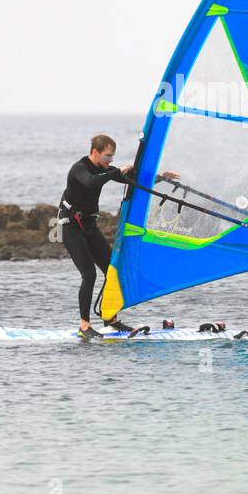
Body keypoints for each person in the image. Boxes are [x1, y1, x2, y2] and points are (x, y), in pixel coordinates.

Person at [59, 134, 176, 340]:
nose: (110, 160)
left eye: (112, 157)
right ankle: (84, 325)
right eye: (107, 156)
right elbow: (91, 182)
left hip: (89, 226)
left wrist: (161, 178)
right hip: (70, 228)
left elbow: (135, 182)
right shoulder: (80, 168)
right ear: (95, 152)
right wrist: (114, 171)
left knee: (112, 271)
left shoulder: (105, 169)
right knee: (89, 275)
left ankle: (110, 320)